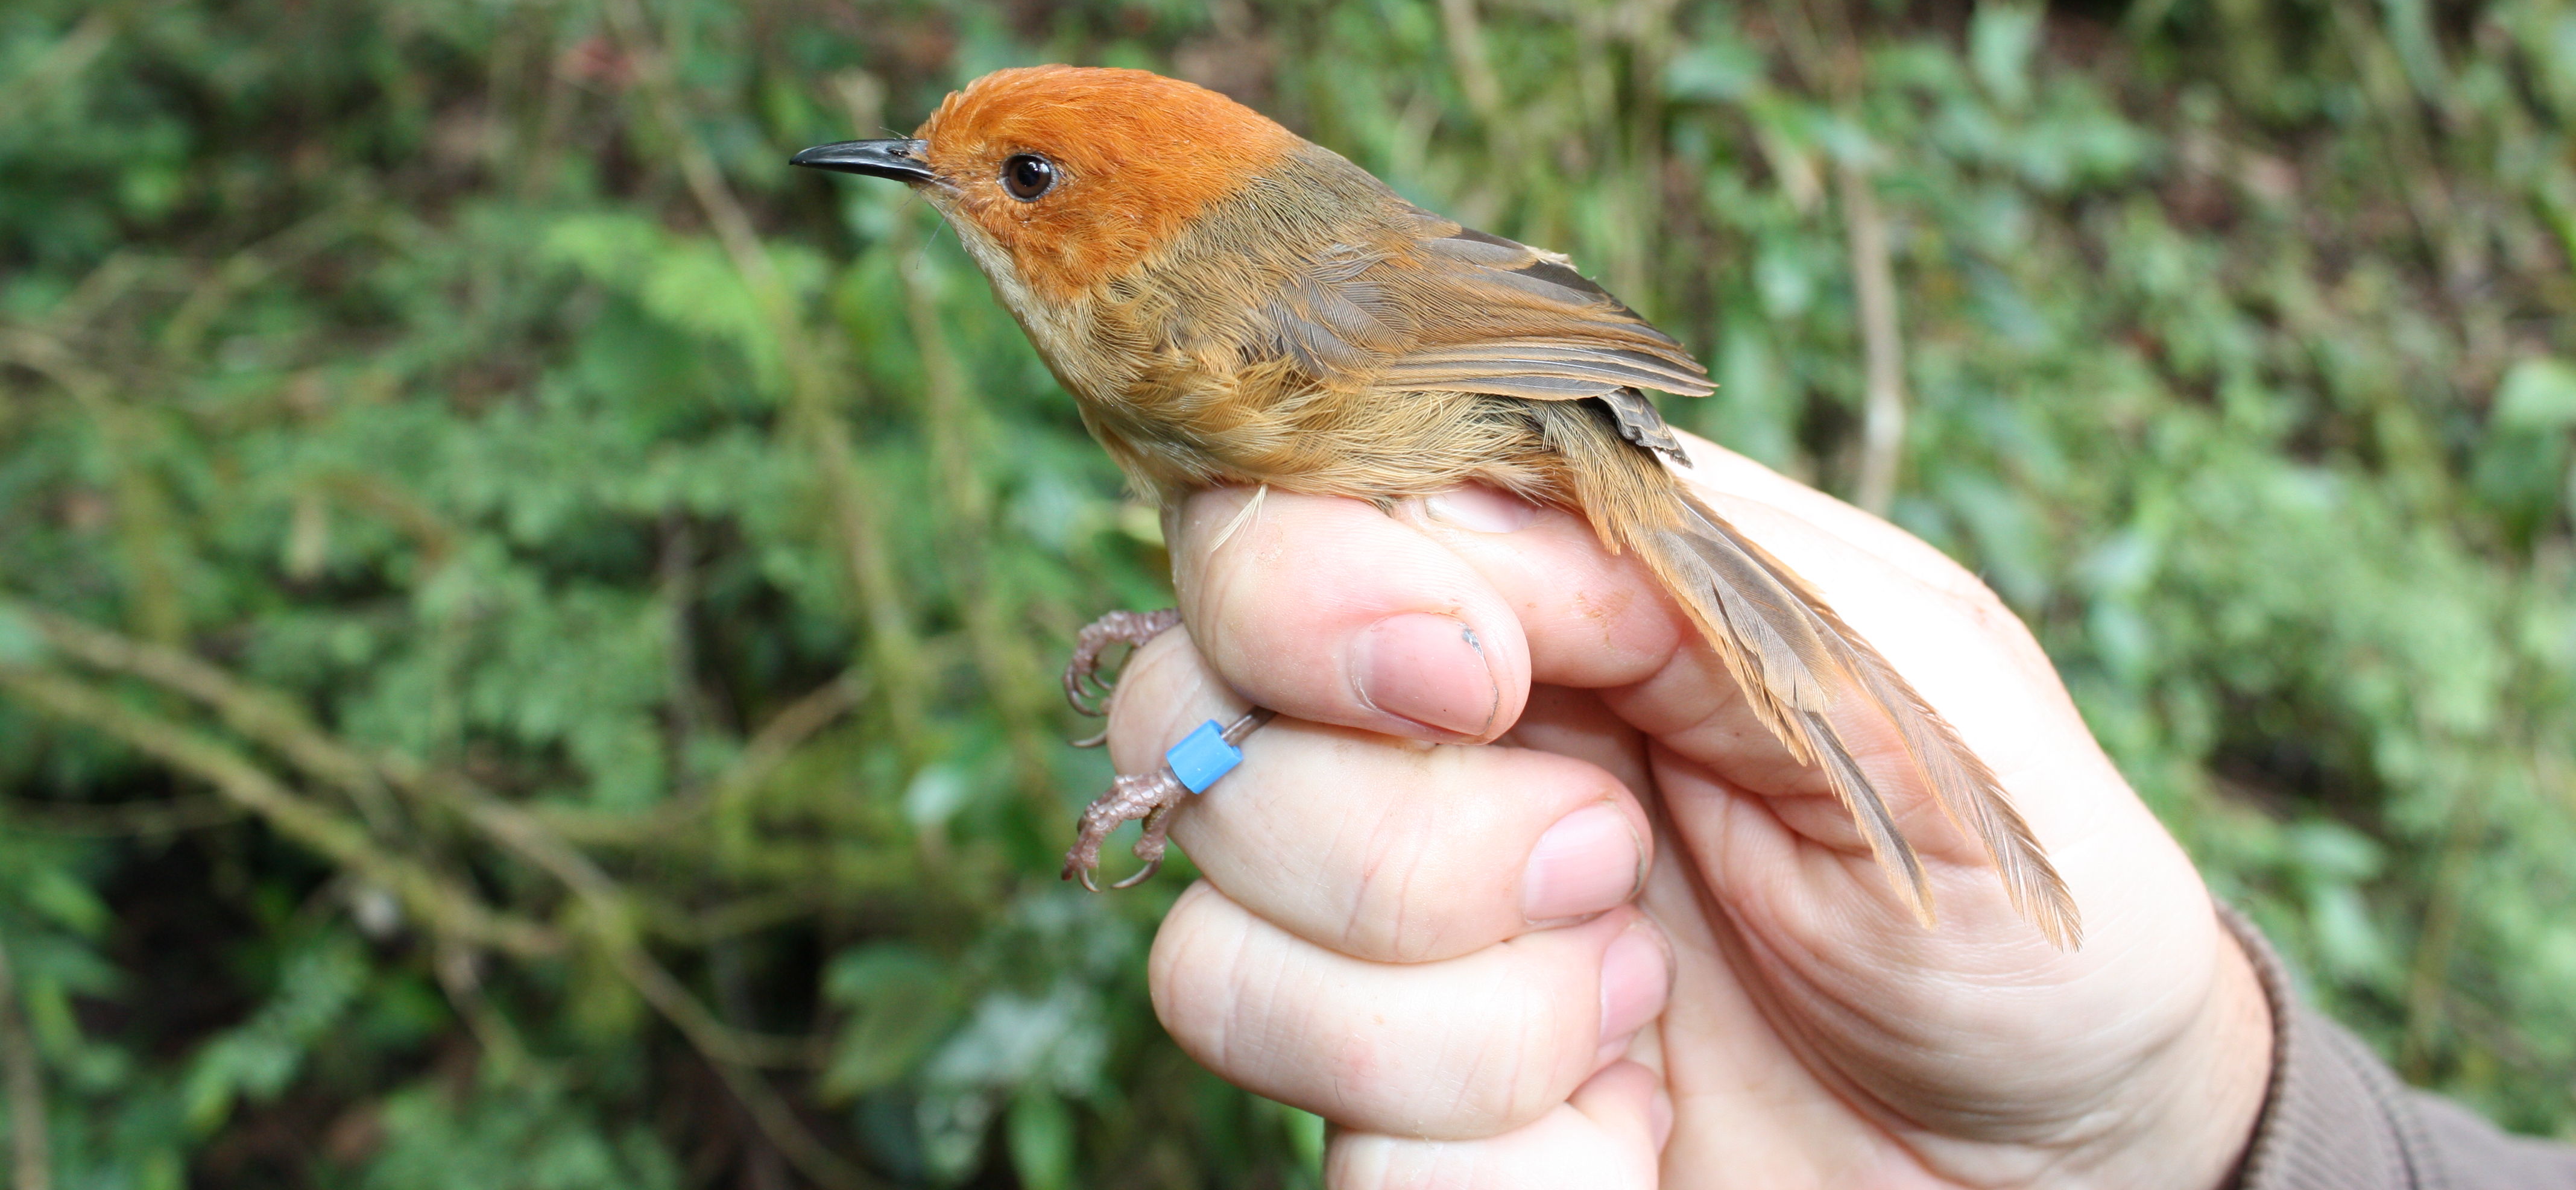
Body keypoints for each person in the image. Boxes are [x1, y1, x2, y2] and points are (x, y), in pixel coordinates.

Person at [1096, 435, 2576, 1188]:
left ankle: (1214, 739)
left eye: (1025, 179)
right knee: (1389, 636)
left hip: (1494, 426)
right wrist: (2179, 1132)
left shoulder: (1186, 308)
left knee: (1402, 626)